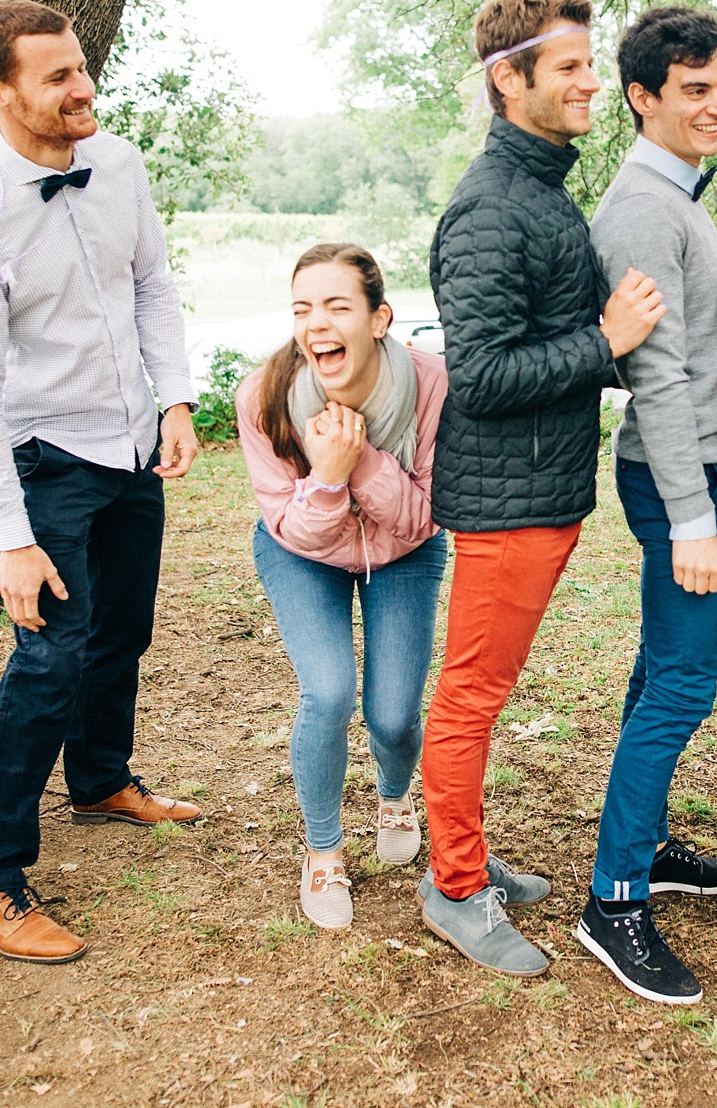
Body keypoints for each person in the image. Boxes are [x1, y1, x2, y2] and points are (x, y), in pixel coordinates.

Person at [0, 0, 202, 965]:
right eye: (57, 76)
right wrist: (10, 537)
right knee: (48, 661)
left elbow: (152, 284)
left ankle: (101, 782)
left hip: (133, 446)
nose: (82, 87)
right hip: (48, 459)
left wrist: (174, 401)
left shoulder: (118, 164)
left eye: (81, 67)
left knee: (122, 630)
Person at [419, 0, 666, 976]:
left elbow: (535, 338)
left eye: (584, 66)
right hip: (501, 504)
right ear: (505, 80)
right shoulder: (486, 212)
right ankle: (453, 885)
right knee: (470, 698)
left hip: (541, 496)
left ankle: (467, 856)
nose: (589, 86)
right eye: (566, 69)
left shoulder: (541, 193)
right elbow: (477, 376)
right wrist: (605, 341)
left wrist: (599, 344)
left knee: (483, 690)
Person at [581, 7, 717, 1005]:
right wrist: (692, 514)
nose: (715, 105)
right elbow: (659, 376)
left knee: (662, 673)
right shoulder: (645, 205)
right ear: (641, 98)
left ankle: (639, 848)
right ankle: (611, 902)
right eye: (693, 89)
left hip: (702, 469)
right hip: (675, 479)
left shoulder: (676, 197)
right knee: (683, 686)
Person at [238, 244, 449, 931]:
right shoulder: (262, 395)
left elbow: (423, 516)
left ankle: (395, 797)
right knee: (328, 691)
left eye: (336, 306)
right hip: (301, 551)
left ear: (379, 317)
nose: (315, 323)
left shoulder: (429, 383)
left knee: (392, 712)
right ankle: (323, 848)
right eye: (303, 308)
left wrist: (362, 465)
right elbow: (293, 530)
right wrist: (328, 476)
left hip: (403, 552)